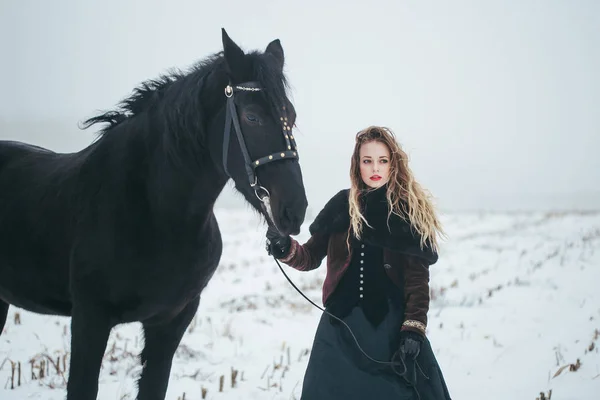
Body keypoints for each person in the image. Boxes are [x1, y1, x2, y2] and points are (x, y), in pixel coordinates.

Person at [265, 126, 452, 399]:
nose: (375, 167)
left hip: (388, 330)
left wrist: (413, 331)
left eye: (382, 160)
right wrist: (284, 247)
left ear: (393, 164)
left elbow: (417, 282)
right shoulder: (342, 205)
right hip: (338, 328)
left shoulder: (407, 213)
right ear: (357, 164)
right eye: (367, 161)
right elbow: (309, 257)